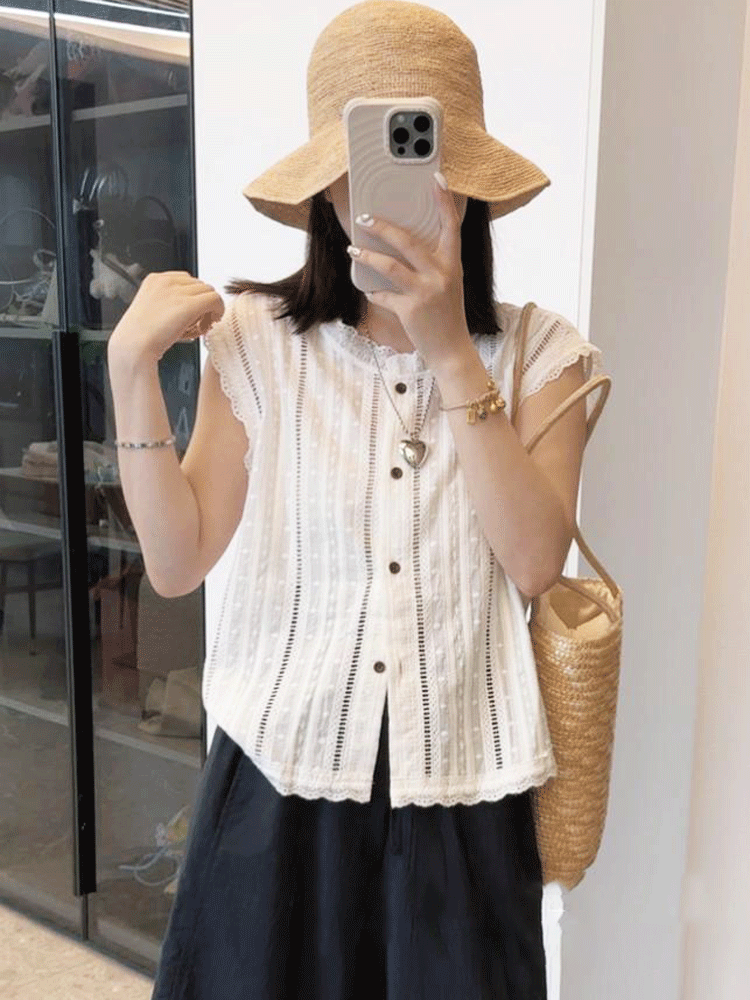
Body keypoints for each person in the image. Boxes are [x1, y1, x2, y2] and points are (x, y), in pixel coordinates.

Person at [109, 2, 606, 998]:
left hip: (464, 793)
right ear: (325, 189)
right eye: (359, 167)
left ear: (465, 185)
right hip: (277, 786)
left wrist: (446, 344)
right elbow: (177, 560)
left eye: (420, 162)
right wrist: (129, 372)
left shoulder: (543, 355)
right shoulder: (257, 342)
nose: (384, 198)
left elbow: (534, 563)